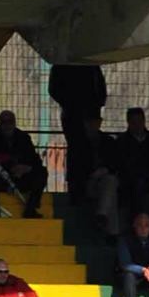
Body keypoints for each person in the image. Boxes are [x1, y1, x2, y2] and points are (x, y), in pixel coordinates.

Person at [50, 63, 108, 206]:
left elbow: (54, 89)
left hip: (80, 112)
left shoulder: (68, 63)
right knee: (78, 149)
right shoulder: (84, 63)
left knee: (83, 149)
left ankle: (85, 188)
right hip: (75, 113)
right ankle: (78, 189)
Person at [106, 108, 149, 227]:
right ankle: (138, 227)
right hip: (133, 180)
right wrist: (146, 174)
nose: (137, 125)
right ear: (128, 122)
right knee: (138, 186)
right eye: (134, 122)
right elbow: (121, 166)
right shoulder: (122, 141)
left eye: (140, 121)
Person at [0, 111, 49, 218]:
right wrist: (10, 168)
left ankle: (30, 209)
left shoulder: (23, 138)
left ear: (14, 122)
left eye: (10, 122)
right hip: (0, 178)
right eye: (4, 122)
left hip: (21, 177)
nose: (7, 125)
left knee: (42, 172)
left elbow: (34, 159)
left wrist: (26, 168)